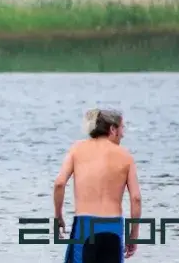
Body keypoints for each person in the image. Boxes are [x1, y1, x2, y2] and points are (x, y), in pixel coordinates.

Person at [52, 108, 142, 262]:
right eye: (122, 128)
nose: (123, 134)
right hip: (113, 227)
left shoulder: (77, 149)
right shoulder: (126, 157)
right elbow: (136, 198)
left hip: (85, 226)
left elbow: (59, 183)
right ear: (112, 129)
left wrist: (59, 216)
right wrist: (133, 235)